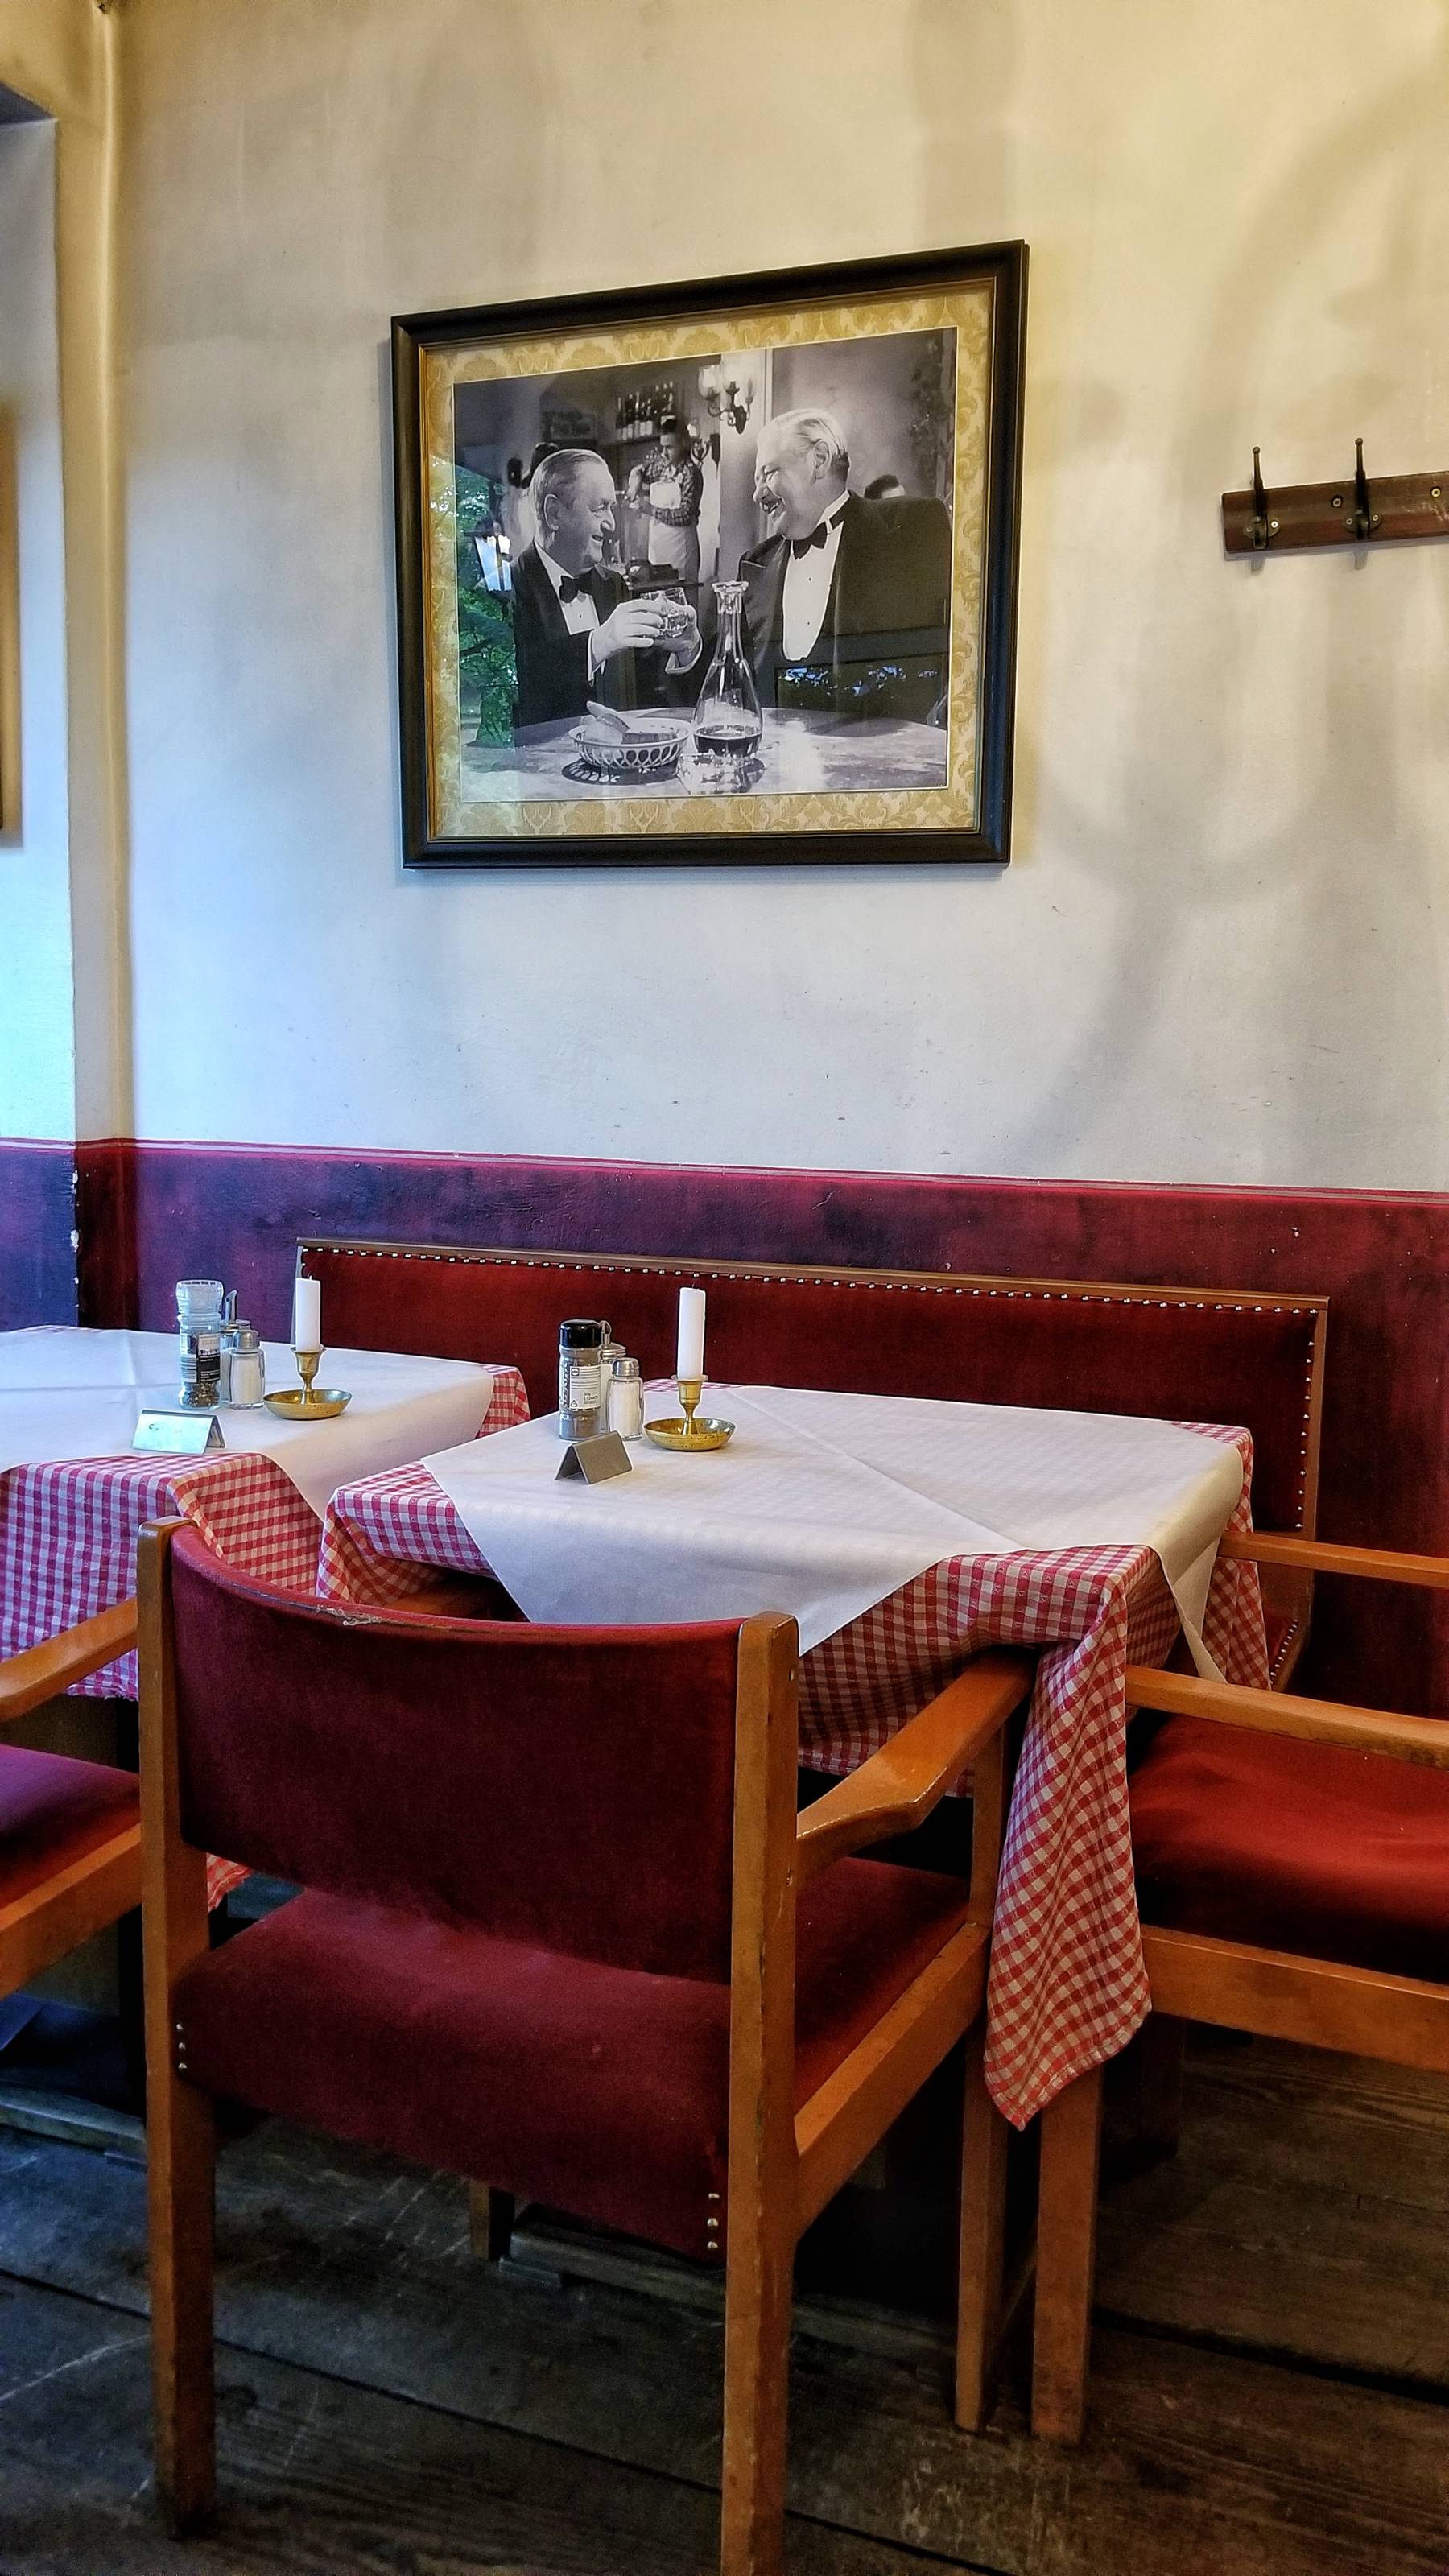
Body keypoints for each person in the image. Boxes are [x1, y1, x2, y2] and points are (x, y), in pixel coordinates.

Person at [733, 409, 952, 724]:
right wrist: (689, 647)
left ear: (820, 459)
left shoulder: (913, 532)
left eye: (768, 473)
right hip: (777, 753)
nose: (758, 494)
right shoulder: (754, 565)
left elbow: (967, 645)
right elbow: (729, 683)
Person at [509, 448, 700, 731]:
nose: (611, 524)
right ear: (554, 513)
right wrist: (597, 645)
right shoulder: (502, 593)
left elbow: (651, 696)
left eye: (611, 508)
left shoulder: (613, 585)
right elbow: (508, 703)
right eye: (599, 508)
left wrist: (686, 649)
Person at [627, 416, 704, 591]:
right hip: (658, 550)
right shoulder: (661, 468)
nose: (664, 453)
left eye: (669, 447)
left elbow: (685, 515)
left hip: (681, 553)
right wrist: (634, 483)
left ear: (683, 444)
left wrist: (650, 509)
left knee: (681, 598)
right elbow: (639, 472)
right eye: (662, 447)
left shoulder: (691, 474)